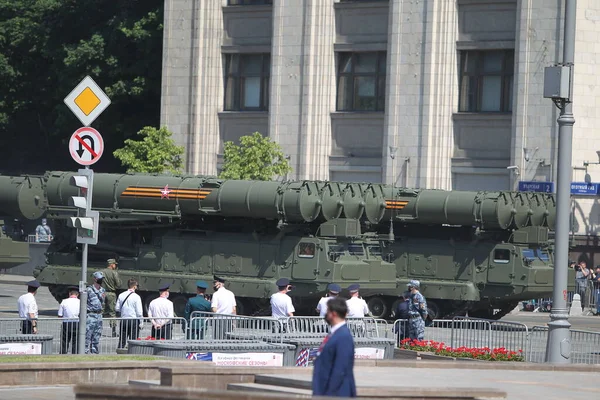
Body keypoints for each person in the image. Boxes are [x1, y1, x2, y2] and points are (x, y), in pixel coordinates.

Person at [312, 297, 357, 398]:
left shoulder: (343, 335)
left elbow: (340, 368)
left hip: (337, 393)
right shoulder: (335, 333)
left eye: (327, 311)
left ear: (334, 313)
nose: (326, 314)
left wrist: (329, 395)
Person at [115, 279, 143, 349]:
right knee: (133, 340)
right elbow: (139, 312)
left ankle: (120, 352)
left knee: (122, 340)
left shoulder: (121, 295)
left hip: (124, 319)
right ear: (134, 286)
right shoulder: (137, 297)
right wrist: (141, 322)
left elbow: (117, 308)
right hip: (133, 320)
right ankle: (132, 353)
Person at [85, 271, 106, 354]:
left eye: (102, 279)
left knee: (96, 337)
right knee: (87, 337)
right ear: (95, 279)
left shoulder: (102, 290)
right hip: (91, 315)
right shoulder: (89, 289)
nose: (101, 280)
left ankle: (95, 354)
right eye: (99, 279)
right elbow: (84, 302)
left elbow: (103, 302)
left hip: (99, 315)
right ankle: (85, 354)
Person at [102, 258, 122, 337]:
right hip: (111, 294)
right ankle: (113, 331)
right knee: (112, 313)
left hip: (102, 293)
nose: (115, 265)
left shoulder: (102, 272)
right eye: (115, 264)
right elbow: (118, 284)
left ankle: (98, 329)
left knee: (100, 312)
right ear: (112, 264)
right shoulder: (114, 273)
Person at [58, 286, 80, 354]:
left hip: (66, 323)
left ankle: (63, 354)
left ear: (69, 293)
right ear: (77, 294)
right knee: (75, 341)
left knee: (64, 341)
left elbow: (60, 315)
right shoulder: (80, 302)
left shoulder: (64, 301)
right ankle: (75, 355)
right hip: (76, 323)